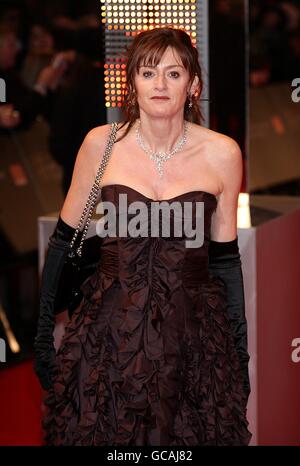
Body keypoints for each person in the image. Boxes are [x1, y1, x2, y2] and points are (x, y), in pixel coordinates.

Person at [34, 27, 252, 446]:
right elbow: (64, 242)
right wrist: (44, 334)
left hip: (193, 335)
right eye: (149, 72)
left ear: (194, 85)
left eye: (173, 74)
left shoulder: (222, 152)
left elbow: (225, 261)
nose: (160, 84)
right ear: (131, 81)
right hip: (111, 331)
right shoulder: (102, 145)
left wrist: (239, 354)